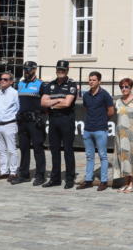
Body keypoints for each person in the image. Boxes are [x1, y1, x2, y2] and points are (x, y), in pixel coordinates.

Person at [40, 60, 78, 189]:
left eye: (63, 69)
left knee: (68, 150)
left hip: (66, 119)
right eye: (58, 69)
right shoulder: (50, 85)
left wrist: (51, 102)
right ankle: (55, 178)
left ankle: (69, 178)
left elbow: (67, 103)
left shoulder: (71, 84)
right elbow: (43, 103)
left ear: (67, 70)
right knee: (54, 150)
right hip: (54, 120)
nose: (60, 71)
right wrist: (58, 100)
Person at [76, 72, 114, 191]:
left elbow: (111, 111)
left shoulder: (105, 95)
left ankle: (103, 181)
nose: (91, 82)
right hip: (88, 129)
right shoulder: (86, 95)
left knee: (103, 155)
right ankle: (88, 180)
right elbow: (87, 110)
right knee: (89, 156)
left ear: (99, 81)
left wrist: (102, 121)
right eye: (90, 80)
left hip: (100, 130)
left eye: (94, 80)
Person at [11, 61, 46, 185]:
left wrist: (41, 116)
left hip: (34, 121)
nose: (26, 71)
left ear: (35, 70)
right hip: (22, 121)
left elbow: (46, 103)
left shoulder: (40, 85)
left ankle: (40, 174)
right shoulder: (20, 84)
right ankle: (24, 174)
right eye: (25, 69)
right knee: (24, 148)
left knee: (38, 148)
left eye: (29, 69)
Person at [113, 78, 133, 193]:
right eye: (122, 87)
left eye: (126, 86)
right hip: (122, 136)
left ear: (131, 87)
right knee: (124, 159)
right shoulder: (118, 102)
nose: (124, 89)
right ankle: (126, 183)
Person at [0, 72, 19, 182]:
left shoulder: (14, 93)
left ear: (11, 81)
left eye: (5, 79)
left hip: (10, 124)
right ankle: (4, 171)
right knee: (1, 150)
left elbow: (18, 108)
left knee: (12, 150)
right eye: (1, 79)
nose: (2, 81)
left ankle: (13, 172)